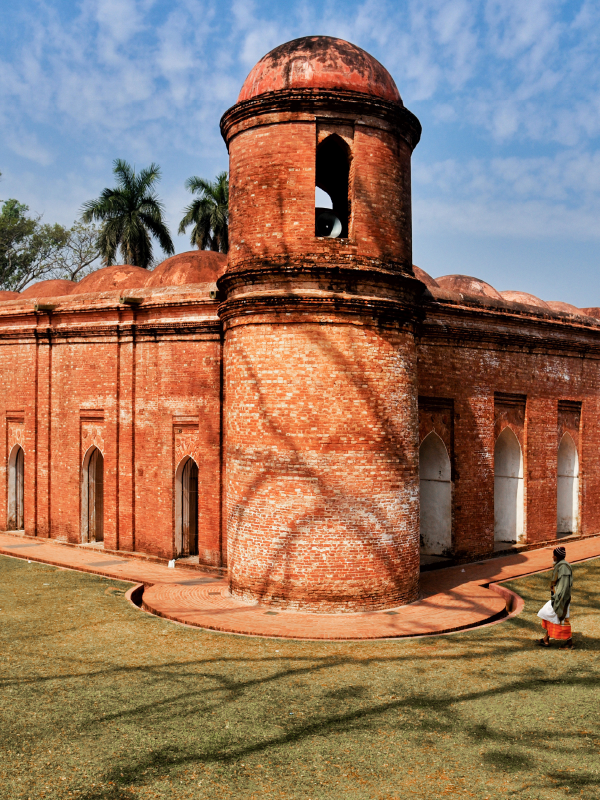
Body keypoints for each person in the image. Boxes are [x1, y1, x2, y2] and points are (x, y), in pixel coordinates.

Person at [537, 546, 573, 649]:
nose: (552, 557)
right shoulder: (561, 566)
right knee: (551, 616)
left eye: (553, 555)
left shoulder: (564, 567)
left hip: (561, 598)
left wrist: (559, 599)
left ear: (557, 556)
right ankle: (546, 639)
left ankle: (569, 643)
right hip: (557, 597)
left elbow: (565, 586)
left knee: (560, 618)